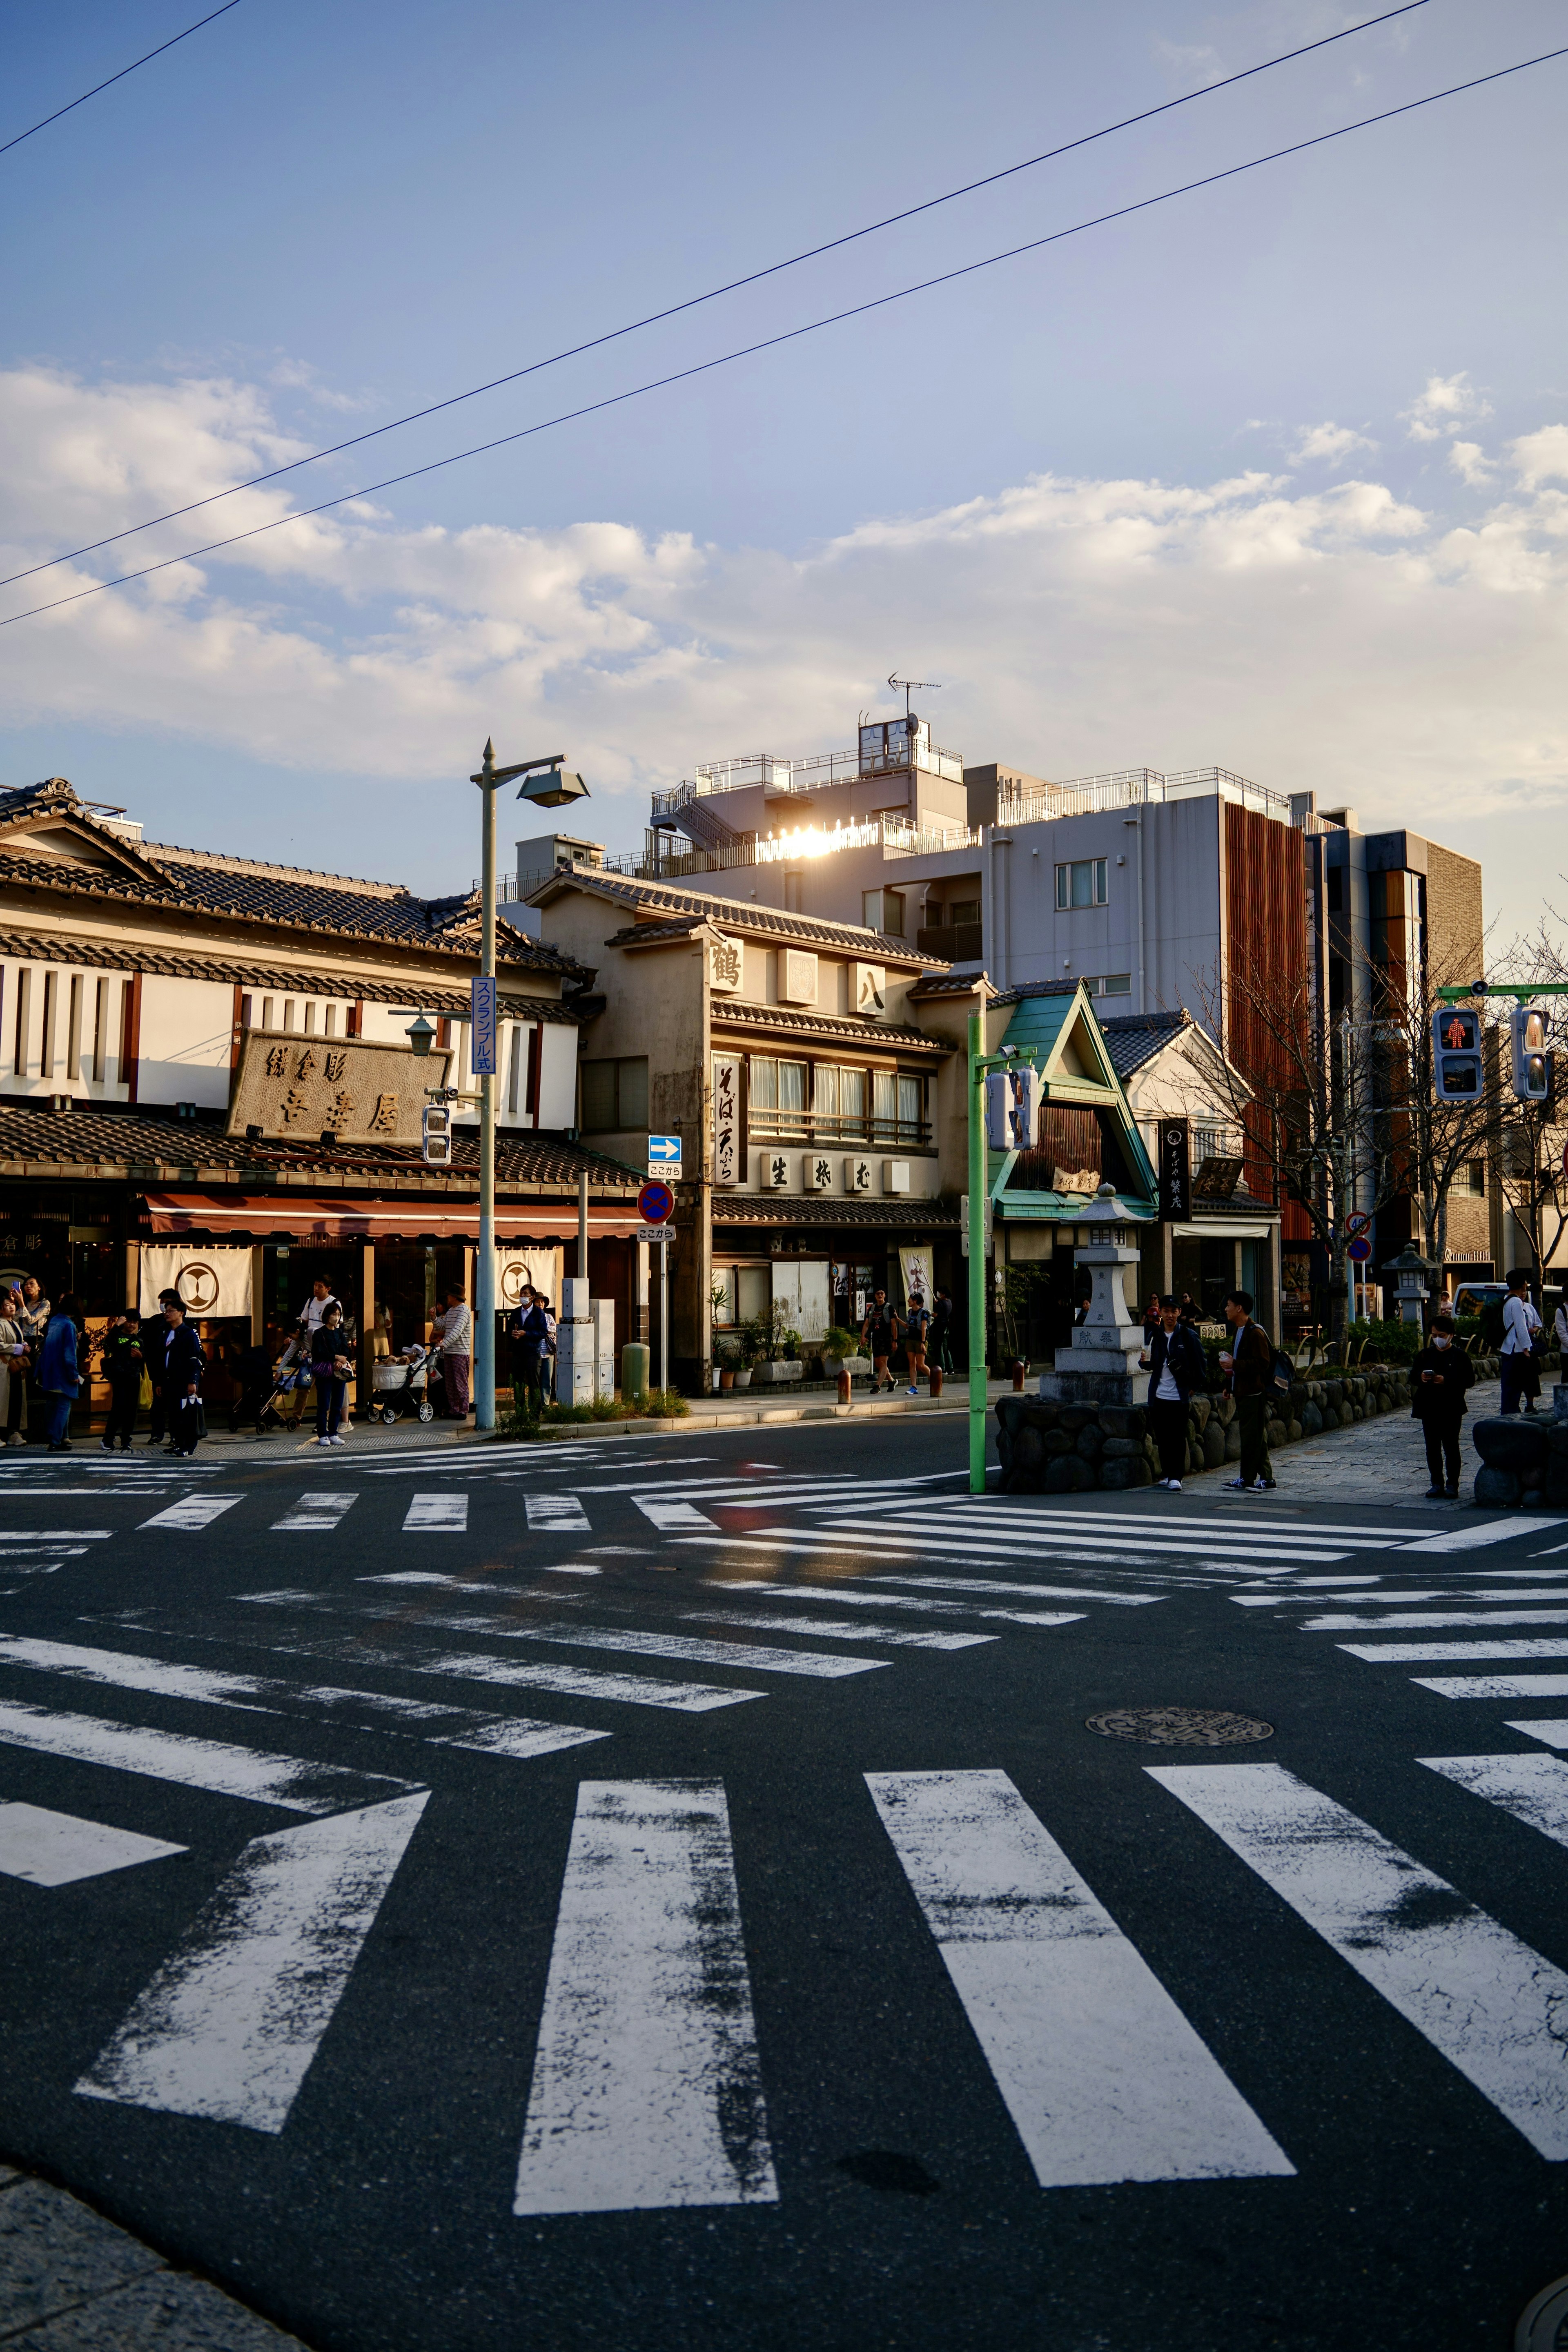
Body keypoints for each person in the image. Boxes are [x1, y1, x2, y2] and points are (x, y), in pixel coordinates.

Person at [1139, 1294, 1207, 1490]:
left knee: (1178, 1438)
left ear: (1179, 1312)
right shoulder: (1155, 1335)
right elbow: (1151, 1364)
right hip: (1159, 1396)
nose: (1170, 1315)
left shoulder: (1188, 1336)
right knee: (1163, 1437)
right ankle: (1168, 1474)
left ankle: (1177, 1477)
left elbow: (1201, 1365)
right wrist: (1143, 1362)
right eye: (1166, 1311)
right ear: (1160, 1312)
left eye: (1174, 1311)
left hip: (1179, 1397)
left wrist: (1193, 1388)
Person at [1411, 1310, 1475, 1500]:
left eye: (1442, 1336)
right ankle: (1436, 1483)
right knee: (1432, 1448)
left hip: (1451, 1407)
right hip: (1428, 1406)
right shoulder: (1425, 1355)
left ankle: (1453, 1484)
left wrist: (1446, 1380)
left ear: (1451, 1336)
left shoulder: (1460, 1356)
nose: (1438, 1339)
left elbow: (1469, 1380)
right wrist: (1422, 1378)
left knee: (1451, 1446)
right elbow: (1413, 1376)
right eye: (1434, 1336)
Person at [1219, 1288, 1275, 1492]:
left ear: (1239, 1308)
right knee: (1255, 1437)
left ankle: (1253, 1478)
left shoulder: (1255, 1332)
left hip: (1254, 1393)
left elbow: (1263, 1363)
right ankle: (1256, 1479)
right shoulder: (1240, 1330)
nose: (1226, 1309)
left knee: (1253, 1438)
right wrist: (1229, 1386)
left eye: (1229, 1305)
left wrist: (1235, 1363)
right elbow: (1236, 1365)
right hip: (1244, 1391)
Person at [158, 1297, 205, 1457]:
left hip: (183, 1380)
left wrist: (193, 1381)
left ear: (181, 1313)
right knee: (174, 1415)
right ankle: (178, 1443)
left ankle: (188, 1446)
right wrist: (160, 1382)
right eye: (166, 1311)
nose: (167, 1314)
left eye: (171, 1311)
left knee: (186, 1414)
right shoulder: (166, 1332)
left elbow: (194, 1359)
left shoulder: (189, 1333)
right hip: (170, 1380)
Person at [37, 1294, 81, 1453]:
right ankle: (56, 1441)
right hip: (63, 1372)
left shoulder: (55, 1320)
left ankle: (55, 1437)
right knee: (64, 1406)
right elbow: (70, 1354)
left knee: (54, 1405)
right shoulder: (69, 1325)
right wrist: (74, 1374)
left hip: (50, 1370)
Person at [140, 1288, 180, 1445]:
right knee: (157, 1405)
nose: (164, 1309)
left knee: (175, 1407)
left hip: (177, 1373)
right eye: (162, 1304)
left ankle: (176, 1436)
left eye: (167, 1305)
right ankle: (157, 1434)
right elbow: (142, 1341)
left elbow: (196, 1351)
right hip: (157, 1371)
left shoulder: (186, 1326)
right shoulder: (154, 1322)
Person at [98, 1311, 145, 1451]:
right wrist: (116, 1326)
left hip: (134, 1377)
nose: (132, 1325)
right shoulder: (117, 1336)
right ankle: (108, 1438)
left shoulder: (140, 1340)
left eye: (135, 1323)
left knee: (131, 1410)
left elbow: (146, 1360)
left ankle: (126, 1440)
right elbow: (107, 1343)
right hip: (119, 1377)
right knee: (117, 1408)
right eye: (129, 1321)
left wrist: (140, 1356)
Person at [310, 1303, 354, 1446]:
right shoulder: (319, 1333)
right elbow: (319, 1353)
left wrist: (341, 1360)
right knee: (323, 1405)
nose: (337, 1317)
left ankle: (333, 1433)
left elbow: (346, 1351)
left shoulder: (340, 1332)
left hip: (339, 1374)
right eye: (334, 1314)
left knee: (337, 1404)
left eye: (339, 1315)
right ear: (327, 1316)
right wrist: (336, 1357)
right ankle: (323, 1434)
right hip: (325, 1373)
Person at [18, 1276, 51, 1443]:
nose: (28, 1287)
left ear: (39, 1287)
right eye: (26, 1285)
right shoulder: (21, 1303)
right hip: (21, 1342)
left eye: (32, 1284)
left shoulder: (45, 1303)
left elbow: (31, 1321)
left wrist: (21, 1303)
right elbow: (15, 1320)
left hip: (35, 1342)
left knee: (34, 1378)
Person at [1500, 1271, 1537, 1417]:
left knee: (1509, 1386)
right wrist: (1527, 1348)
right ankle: (1511, 1414)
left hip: (1507, 1348)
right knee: (1514, 1387)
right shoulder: (1516, 1302)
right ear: (1523, 1285)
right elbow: (1521, 1327)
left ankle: (1508, 1412)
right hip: (1516, 1349)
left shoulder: (1506, 1299)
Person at [432, 1285, 472, 1419]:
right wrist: (434, 1318)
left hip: (460, 1353)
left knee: (460, 1383)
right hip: (449, 1352)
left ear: (455, 1297)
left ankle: (462, 1410)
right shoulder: (450, 1312)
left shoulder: (464, 1310)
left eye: (449, 1295)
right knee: (450, 1384)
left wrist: (443, 1344)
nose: (447, 1298)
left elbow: (457, 1331)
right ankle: (454, 1409)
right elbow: (442, 1326)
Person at [512, 1290, 550, 1421]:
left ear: (531, 1297)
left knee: (534, 1383)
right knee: (518, 1383)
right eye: (521, 1294)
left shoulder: (539, 1313)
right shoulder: (516, 1312)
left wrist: (526, 1334)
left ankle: (535, 1415)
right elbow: (510, 1330)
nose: (522, 1296)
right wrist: (514, 1335)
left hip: (533, 1353)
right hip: (518, 1352)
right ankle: (520, 1414)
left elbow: (543, 1332)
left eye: (525, 1294)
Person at [0, 1285, 31, 1446]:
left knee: (16, 1400)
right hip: (4, 1367)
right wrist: (19, 1348)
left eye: (12, 1304)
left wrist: (25, 1345)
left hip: (15, 1369)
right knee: (3, 1401)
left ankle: (14, 1433)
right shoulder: (0, 1323)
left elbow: (18, 1339)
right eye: (7, 1305)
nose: (12, 1307)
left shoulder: (13, 1322)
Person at [860, 1289, 904, 1394]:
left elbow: (894, 1325)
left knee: (884, 1362)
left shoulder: (889, 1308)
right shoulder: (872, 1308)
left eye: (882, 1293)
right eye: (878, 1293)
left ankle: (877, 1386)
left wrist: (895, 1340)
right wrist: (863, 1336)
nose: (880, 1295)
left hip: (887, 1338)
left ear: (885, 1295)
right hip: (875, 1338)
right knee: (879, 1364)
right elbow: (867, 1324)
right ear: (875, 1296)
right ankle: (892, 1381)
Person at [903, 1292, 931, 1397]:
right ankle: (913, 1387)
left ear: (915, 1301)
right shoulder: (910, 1312)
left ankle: (935, 1379)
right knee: (912, 1364)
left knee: (921, 1365)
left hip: (920, 1341)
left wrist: (923, 1343)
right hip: (910, 1340)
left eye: (910, 1299)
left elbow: (924, 1328)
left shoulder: (923, 1313)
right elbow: (907, 1326)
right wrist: (897, 1319)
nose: (908, 1301)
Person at [930, 1290, 955, 1374]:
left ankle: (943, 1369)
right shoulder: (949, 1302)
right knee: (946, 1348)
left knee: (940, 1349)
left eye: (940, 1293)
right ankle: (951, 1369)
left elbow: (936, 1315)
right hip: (946, 1327)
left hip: (940, 1328)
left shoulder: (940, 1303)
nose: (939, 1294)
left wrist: (930, 1313)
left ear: (944, 1295)